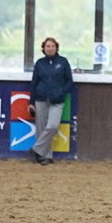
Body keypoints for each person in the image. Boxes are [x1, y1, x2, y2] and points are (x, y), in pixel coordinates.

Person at [28, 37, 74, 166]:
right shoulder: (40, 63)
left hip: (57, 100)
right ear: (43, 48)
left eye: (52, 46)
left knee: (52, 126)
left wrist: (61, 92)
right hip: (41, 98)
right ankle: (45, 156)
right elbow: (34, 82)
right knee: (41, 128)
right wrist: (31, 102)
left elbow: (69, 81)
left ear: (56, 48)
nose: (50, 48)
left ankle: (35, 149)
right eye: (48, 46)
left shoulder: (63, 62)